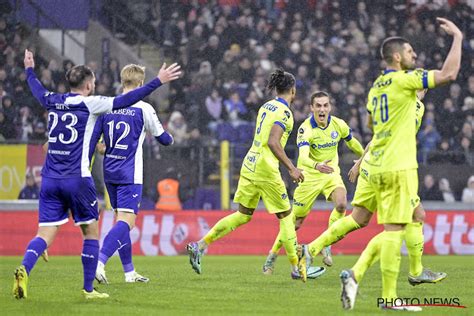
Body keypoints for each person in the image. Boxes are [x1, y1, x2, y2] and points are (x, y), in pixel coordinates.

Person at [13, 49, 181, 300]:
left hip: (50, 178)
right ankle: (90, 285)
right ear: (89, 84)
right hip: (80, 178)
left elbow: (36, 89)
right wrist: (159, 81)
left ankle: (24, 269)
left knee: (44, 234)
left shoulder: (52, 100)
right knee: (94, 231)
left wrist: (29, 69)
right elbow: (126, 101)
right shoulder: (93, 104)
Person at [337, 19, 462, 311]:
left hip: (378, 167)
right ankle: (387, 296)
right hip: (398, 167)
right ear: (396, 57)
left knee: (412, 217)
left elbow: (372, 125)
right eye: (409, 51)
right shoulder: (403, 79)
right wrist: (457, 37)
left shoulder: (375, 89)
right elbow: (449, 74)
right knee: (393, 232)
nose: (414, 55)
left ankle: (357, 277)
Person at [186, 68, 306, 280]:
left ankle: (200, 245)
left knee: (243, 215)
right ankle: (296, 267)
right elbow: (273, 141)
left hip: (250, 162)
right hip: (266, 168)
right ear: (293, 91)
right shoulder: (285, 113)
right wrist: (291, 167)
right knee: (286, 216)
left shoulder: (265, 107)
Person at [262, 91, 364, 275]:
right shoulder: (306, 129)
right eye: (318, 105)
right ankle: (272, 256)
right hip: (308, 175)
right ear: (312, 108)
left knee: (341, 204)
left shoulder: (338, 124)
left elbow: (352, 143)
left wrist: (365, 157)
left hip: (331, 173)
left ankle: (326, 245)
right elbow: (303, 157)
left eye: (325, 105)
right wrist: (317, 165)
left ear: (330, 107)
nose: (322, 109)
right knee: (295, 223)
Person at [92, 64, 175, 285]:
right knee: (127, 222)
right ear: (140, 83)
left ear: (122, 81)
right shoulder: (143, 108)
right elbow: (163, 139)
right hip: (130, 173)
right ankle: (99, 263)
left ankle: (129, 273)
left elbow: (98, 141)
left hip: (109, 171)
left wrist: (102, 146)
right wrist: (171, 137)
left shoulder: (107, 105)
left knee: (122, 221)